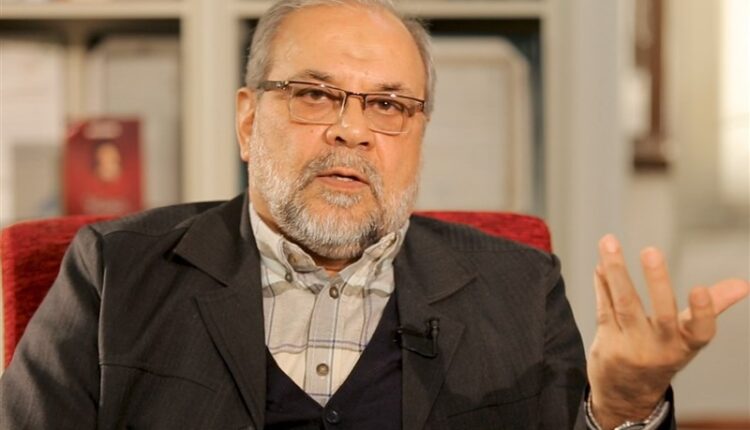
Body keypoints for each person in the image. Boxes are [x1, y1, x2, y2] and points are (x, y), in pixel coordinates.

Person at [1, 1, 747, 429]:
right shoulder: (115, 271)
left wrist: (621, 406)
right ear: (247, 120)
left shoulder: (520, 288)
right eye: (315, 95)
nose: (351, 130)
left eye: (389, 105)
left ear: (419, 136)